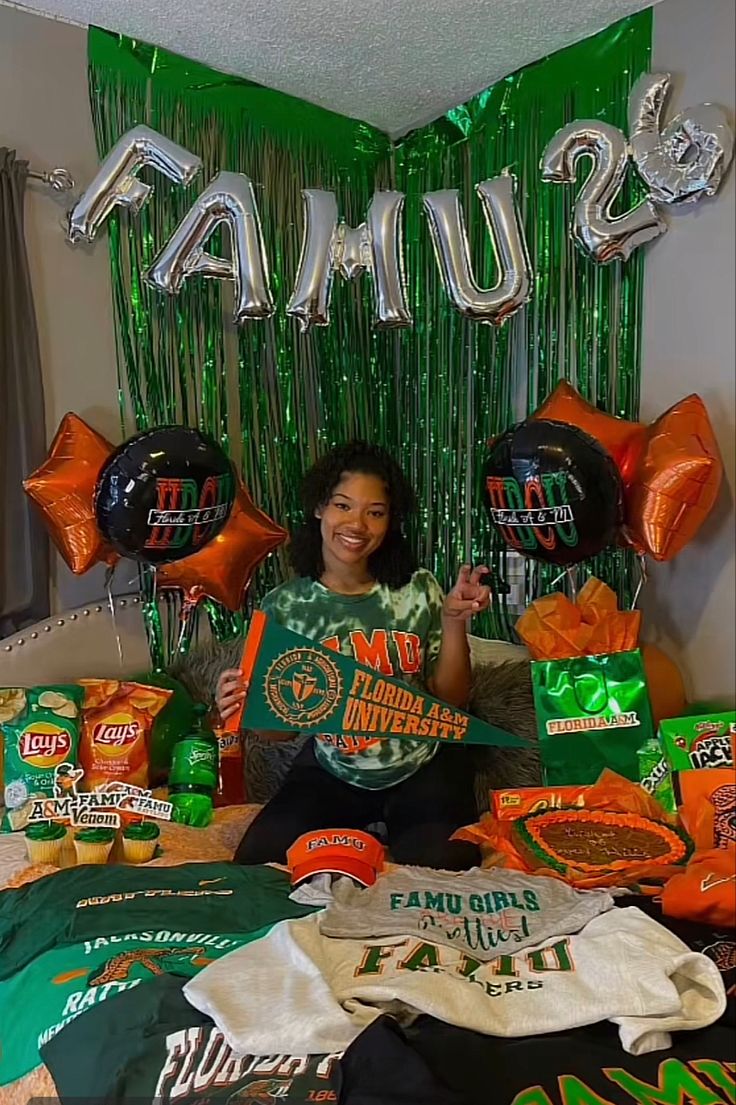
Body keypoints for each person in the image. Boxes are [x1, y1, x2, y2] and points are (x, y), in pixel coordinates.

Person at [217, 442, 490, 870]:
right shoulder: (284, 607)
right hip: (333, 770)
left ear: (389, 522)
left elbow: (451, 698)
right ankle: (363, 829)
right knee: (258, 864)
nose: (357, 524)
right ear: (319, 509)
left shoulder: (417, 590)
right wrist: (243, 704)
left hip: (422, 763)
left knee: (448, 867)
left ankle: (387, 829)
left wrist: (454, 622)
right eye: (343, 505)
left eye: (375, 512)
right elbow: (279, 735)